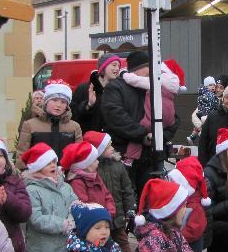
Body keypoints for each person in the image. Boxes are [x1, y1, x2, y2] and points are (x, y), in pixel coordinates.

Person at [102, 51, 180, 196]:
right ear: (136, 69)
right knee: (126, 195)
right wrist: (143, 135)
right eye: (148, 67)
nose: (153, 71)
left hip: (152, 156)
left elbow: (174, 118)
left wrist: (159, 137)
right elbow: (116, 117)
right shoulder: (116, 88)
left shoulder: (156, 87)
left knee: (150, 197)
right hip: (124, 154)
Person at [121, 59, 184, 167]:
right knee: (157, 133)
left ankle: (129, 158)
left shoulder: (158, 80)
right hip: (170, 115)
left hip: (158, 113)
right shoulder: (172, 83)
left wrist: (124, 74)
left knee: (142, 129)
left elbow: (136, 81)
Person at [84, 131, 136, 252]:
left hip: (117, 216)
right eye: (108, 146)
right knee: (99, 246)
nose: (112, 148)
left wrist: (130, 208)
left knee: (123, 244)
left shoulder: (118, 165)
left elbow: (127, 189)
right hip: (99, 218)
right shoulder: (91, 169)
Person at [17, 80, 83, 168]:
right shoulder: (30, 125)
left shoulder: (74, 127)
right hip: (38, 177)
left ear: (67, 106)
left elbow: (79, 155)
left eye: (63, 102)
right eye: (54, 100)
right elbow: (22, 153)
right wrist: (25, 175)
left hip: (66, 177)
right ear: (46, 102)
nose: (58, 105)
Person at [62, 141, 116, 218]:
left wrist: (110, 212)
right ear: (86, 165)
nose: (98, 162)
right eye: (94, 160)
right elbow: (83, 206)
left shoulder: (95, 176)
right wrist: (99, 218)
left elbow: (107, 196)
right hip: (91, 223)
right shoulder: (77, 182)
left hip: (104, 219)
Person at [71, 54, 123, 132]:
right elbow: (72, 116)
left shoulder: (118, 90)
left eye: (119, 66)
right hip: (88, 140)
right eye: (114, 65)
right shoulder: (84, 88)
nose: (117, 68)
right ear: (103, 67)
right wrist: (88, 105)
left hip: (111, 141)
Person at [188, 76, 221, 144]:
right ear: (206, 86)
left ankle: (192, 136)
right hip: (205, 114)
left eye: (214, 85)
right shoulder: (208, 95)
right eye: (210, 85)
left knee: (199, 127)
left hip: (204, 114)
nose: (213, 87)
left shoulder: (205, 94)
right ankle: (194, 136)